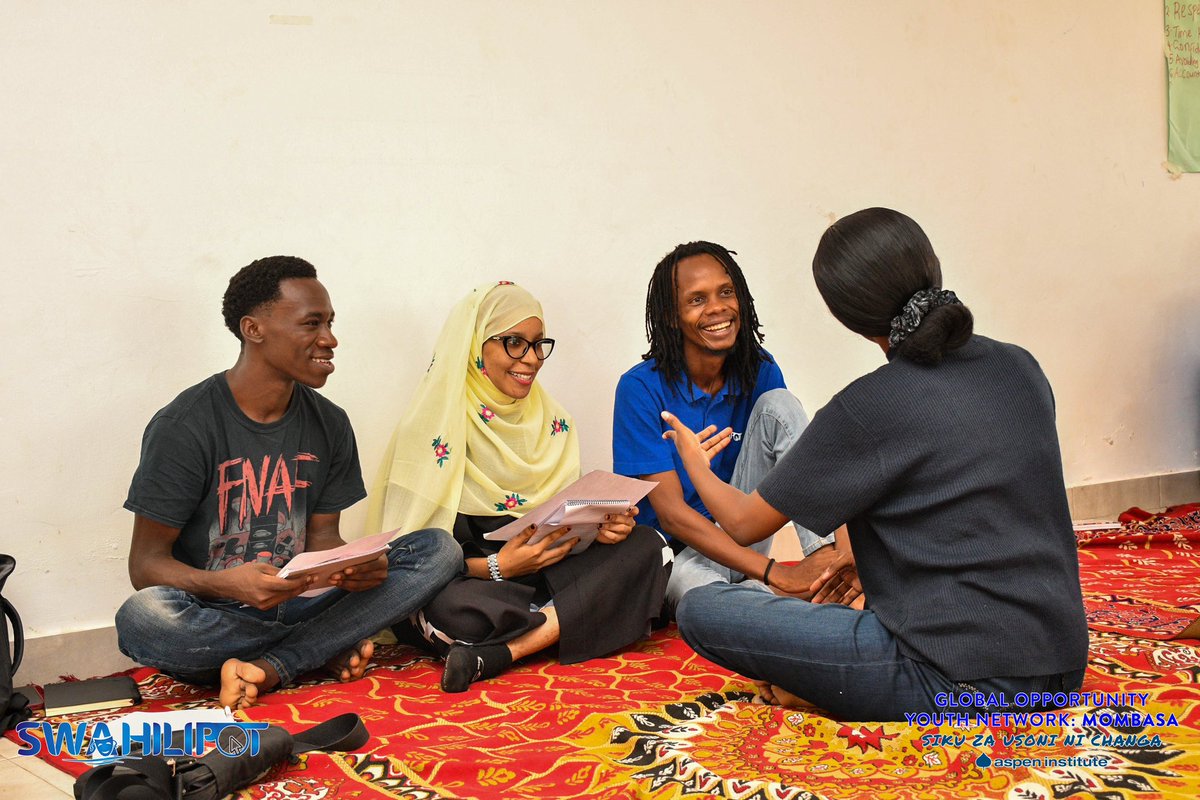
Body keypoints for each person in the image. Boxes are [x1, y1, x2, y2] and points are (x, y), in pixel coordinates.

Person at [667, 208, 1088, 721]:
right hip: (1064, 667)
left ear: (845, 315)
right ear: (932, 266)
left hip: (955, 680)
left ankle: (835, 689)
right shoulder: (1020, 364)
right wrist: (864, 559)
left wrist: (697, 465)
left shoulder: (865, 407)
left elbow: (742, 522)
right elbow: (971, 498)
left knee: (703, 609)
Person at [115, 256, 462, 709]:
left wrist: (353, 568)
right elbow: (146, 566)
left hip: (302, 601)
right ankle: (315, 650)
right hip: (216, 613)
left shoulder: (330, 423)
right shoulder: (184, 426)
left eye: (331, 323)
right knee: (143, 618)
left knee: (439, 550)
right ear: (253, 329)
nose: (330, 339)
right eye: (311, 323)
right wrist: (230, 585)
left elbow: (321, 540)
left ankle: (273, 664)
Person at [368, 281, 671, 693]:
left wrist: (604, 530)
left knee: (649, 545)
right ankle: (567, 618)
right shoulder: (432, 427)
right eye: (513, 342)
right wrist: (498, 568)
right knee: (452, 611)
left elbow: (564, 525)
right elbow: (404, 562)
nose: (530, 359)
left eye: (537, 344)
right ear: (476, 347)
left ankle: (504, 650)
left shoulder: (554, 422)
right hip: (473, 585)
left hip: (543, 577)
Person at [612, 241, 840, 611]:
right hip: (681, 555)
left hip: (743, 530)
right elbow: (670, 514)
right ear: (672, 316)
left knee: (780, 404)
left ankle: (827, 561)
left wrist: (831, 553)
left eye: (725, 292)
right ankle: (765, 597)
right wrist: (773, 572)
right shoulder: (640, 388)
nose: (717, 307)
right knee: (707, 600)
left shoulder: (760, 369)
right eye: (697, 299)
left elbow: (797, 470)